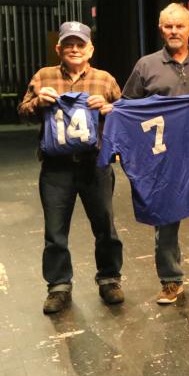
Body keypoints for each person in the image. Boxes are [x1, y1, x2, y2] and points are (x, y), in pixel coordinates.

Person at [18, 21, 124, 314]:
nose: (75, 49)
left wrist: (109, 108)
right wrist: (39, 102)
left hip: (95, 165)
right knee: (55, 231)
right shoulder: (44, 76)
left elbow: (125, 115)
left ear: (90, 48)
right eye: (69, 44)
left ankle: (110, 278)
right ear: (59, 49)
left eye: (80, 44)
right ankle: (58, 286)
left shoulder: (104, 80)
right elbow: (23, 111)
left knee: (105, 227)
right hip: (56, 168)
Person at [123, 3, 189, 305]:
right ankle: (170, 280)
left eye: (180, 26)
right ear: (160, 29)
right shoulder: (146, 66)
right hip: (163, 158)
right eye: (169, 26)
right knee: (165, 220)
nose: (174, 31)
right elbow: (129, 107)